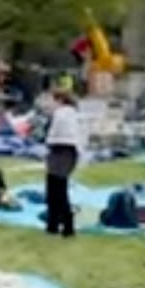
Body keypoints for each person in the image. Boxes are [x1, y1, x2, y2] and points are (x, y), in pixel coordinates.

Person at [43, 89, 83, 237]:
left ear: (58, 100)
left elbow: (56, 134)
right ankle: (53, 224)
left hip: (62, 152)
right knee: (55, 190)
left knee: (57, 191)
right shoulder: (70, 114)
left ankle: (66, 225)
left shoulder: (63, 113)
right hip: (63, 153)